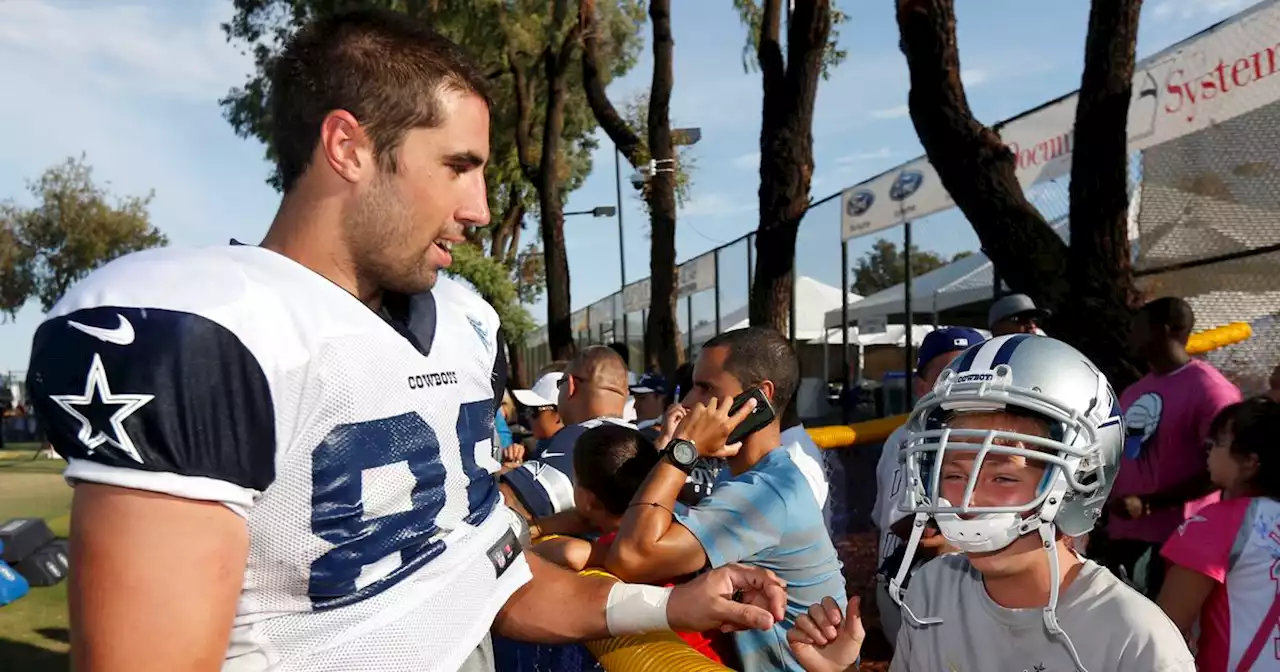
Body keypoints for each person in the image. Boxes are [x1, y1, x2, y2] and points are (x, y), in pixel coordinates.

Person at [24, 10, 788, 671]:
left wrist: (672, 607)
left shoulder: (460, 324)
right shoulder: (209, 336)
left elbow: (482, 583)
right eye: (458, 167)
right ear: (349, 147)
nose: (482, 207)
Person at [785, 335, 1194, 672]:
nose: (966, 499)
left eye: (1003, 477)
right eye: (954, 473)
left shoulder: (1136, 640)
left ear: (1080, 480)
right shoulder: (932, 589)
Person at [605, 326, 847, 672]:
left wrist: (683, 451)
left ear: (758, 398)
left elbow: (630, 557)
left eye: (706, 388)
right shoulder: (741, 473)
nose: (688, 402)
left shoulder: (765, 493)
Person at [1107, 297, 1241, 597]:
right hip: (1125, 538)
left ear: (1165, 329)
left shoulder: (1211, 389)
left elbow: (1227, 467)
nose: (1130, 334)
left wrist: (1150, 503)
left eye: (1137, 327)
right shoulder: (1134, 391)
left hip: (1178, 543)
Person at [870, 326, 985, 646]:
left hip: (952, 585)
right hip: (914, 589)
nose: (964, 379)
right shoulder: (913, 436)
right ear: (922, 387)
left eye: (972, 368)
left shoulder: (981, 430)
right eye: (949, 371)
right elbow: (917, 533)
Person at [1158, 397, 1280, 671]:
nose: (1208, 451)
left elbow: (1165, 627)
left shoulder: (1218, 522)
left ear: (1250, 461)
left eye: (1217, 444)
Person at [501, 345, 632, 524]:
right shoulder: (642, 439)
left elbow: (513, 502)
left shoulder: (583, 439)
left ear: (570, 386)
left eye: (559, 385)